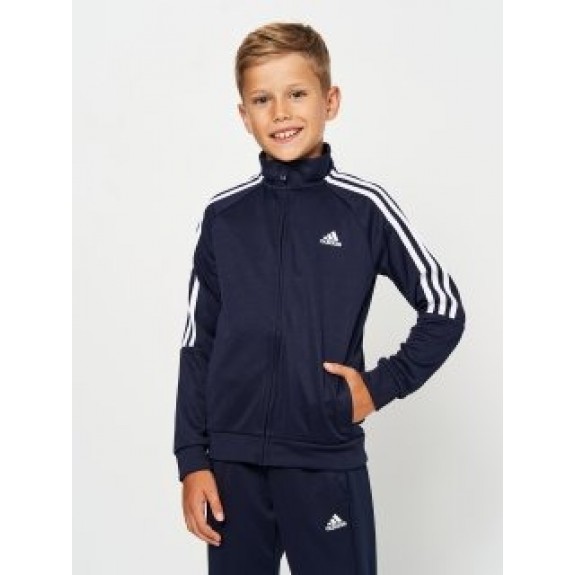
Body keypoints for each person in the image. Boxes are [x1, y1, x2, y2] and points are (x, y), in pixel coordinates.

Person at [173, 21, 465, 575]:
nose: (281, 112)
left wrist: (378, 387)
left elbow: (444, 308)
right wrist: (192, 459)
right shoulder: (223, 218)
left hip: (323, 461)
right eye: (262, 99)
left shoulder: (364, 208)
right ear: (244, 115)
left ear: (330, 101)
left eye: (297, 93)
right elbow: (197, 344)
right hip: (232, 469)